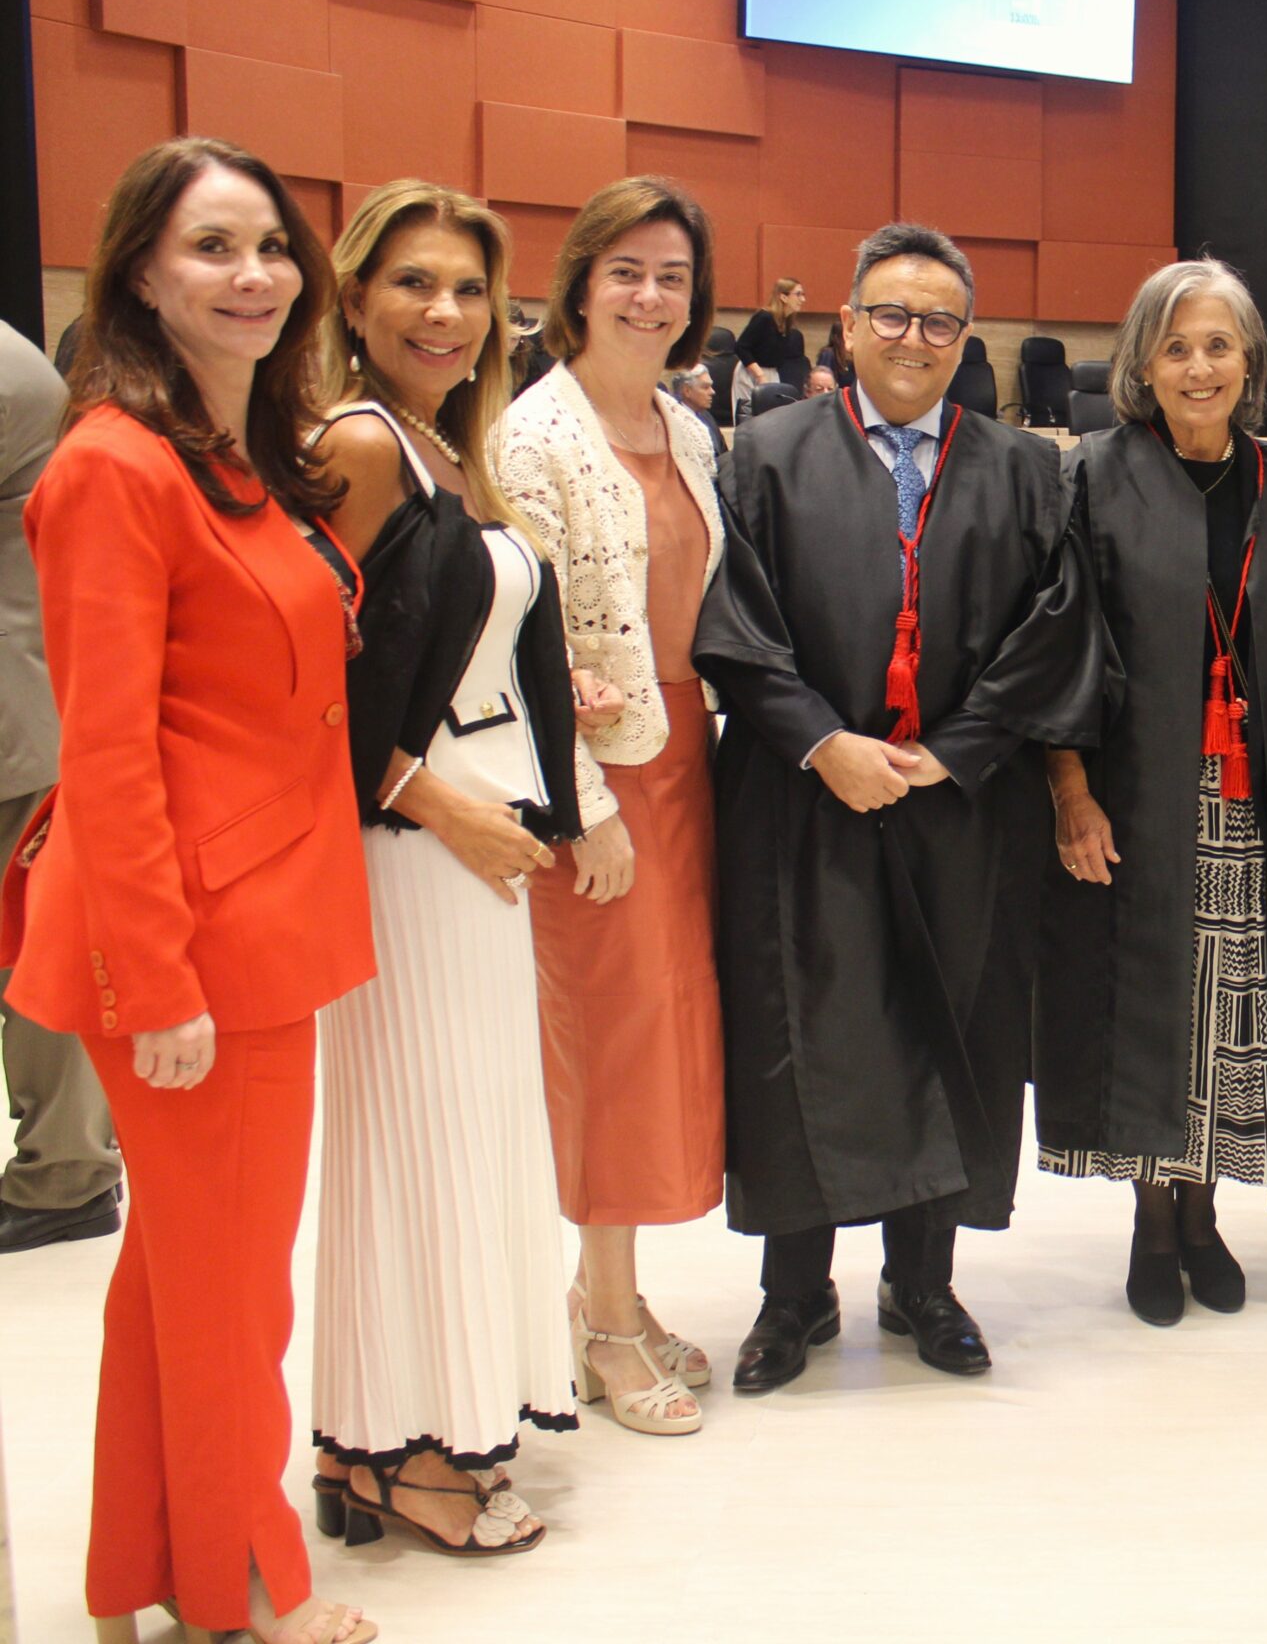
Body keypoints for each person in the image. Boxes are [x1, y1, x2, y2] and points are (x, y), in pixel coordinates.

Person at [1, 136, 378, 1642]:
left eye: (272, 245)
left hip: (262, 917)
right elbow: (104, 749)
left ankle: (140, 1570)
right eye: (212, 247)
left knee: (180, 1279)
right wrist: (157, 983)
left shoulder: (225, 455)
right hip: (195, 942)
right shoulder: (112, 465)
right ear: (141, 275)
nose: (253, 275)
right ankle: (242, 1586)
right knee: (230, 1292)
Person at [693, 223, 1110, 1390]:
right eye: (889, 313)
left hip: (960, 803)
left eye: (937, 320)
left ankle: (922, 1280)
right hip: (803, 796)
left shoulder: (1025, 467)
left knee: (951, 1025)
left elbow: (1056, 628)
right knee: (802, 1035)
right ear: (847, 324)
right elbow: (734, 623)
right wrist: (824, 743)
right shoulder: (764, 455)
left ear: (966, 339)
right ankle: (793, 1294)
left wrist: (957, 750)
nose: (911, 337)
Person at [304, 181, 597, 1558]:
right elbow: (295, 682)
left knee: (459, 1144)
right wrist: (428, 799)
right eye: (414, 283)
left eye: (470, 288)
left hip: (473, 851)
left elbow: (441, 640)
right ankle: (404, 1447)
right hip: (409, 855)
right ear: (355, 299)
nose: (445, 311)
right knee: (421, 1145)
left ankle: (394, 1430)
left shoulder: (443, 445)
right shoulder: (361, 444)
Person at [1037, 259, 1267, 1325]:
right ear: (1142, 363)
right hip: (1138, 796)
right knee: (1154, 1008)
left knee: (1237, 1004)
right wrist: (1070, 789)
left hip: (1260, 793)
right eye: (1175, 347)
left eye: (1219, 345)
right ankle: (1152, 1216)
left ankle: (1203, 1208)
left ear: (1251, 360)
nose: (1198, 367)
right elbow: (1061, 646)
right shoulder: (1094, 476)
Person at [496, 176, 726, 1438]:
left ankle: (612, 1292)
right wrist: (579, 805)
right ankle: (601, 1327)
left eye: (672, 275)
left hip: (685, 751)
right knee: (609, 1037)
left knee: (668, 1026)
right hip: (594, 772)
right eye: (626, 270)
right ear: (580, 282)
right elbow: (523, 647)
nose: (649, 295)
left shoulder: (685, 427)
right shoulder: (536, 433)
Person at [1, 320, 125, 1256]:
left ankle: (68, 1175)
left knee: (37, 955)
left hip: (20, 709)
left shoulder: (7, 372)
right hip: (29, 701)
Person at [736, 276, 811, 397]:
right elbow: (741, 347)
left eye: (803, 294)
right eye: (798, 294)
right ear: (784, 297)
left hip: (771, 373)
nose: (803, 299)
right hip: (751, 373)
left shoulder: (786, 321)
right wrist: (760, 375)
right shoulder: (764, 317)